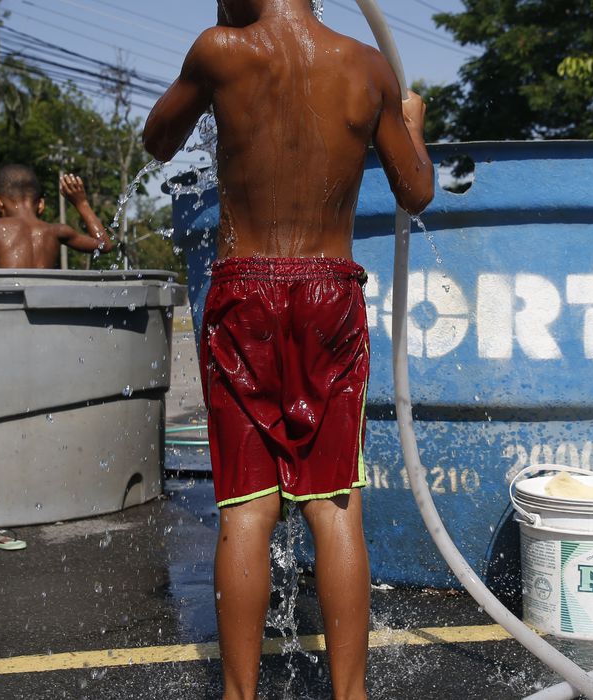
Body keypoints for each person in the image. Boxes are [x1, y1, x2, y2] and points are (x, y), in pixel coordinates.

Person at [143, 0, 433, 697]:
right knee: (335, 505)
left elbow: (157, 140)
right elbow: (417, 190)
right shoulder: (366, 66)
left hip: (244, 292)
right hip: (330, 293)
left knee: (246, 510)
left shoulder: (220, 50)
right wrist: (413, 125)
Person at [0, 165, 114, 269]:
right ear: (41, 204)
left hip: (10, 309)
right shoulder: (57, 231)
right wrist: (81, 203)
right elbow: (105, 245)